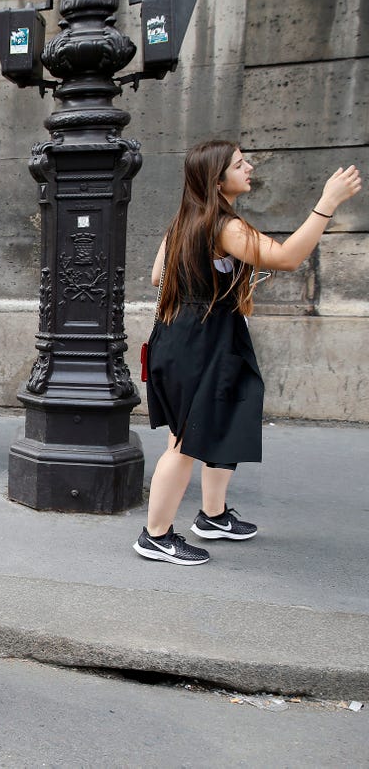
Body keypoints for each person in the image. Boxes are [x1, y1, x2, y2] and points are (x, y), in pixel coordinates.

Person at [135, 141, 361, 565]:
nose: (250, 168)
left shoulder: (186, 220)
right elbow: (288, 258)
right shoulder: (224, 226)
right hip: (201, 340)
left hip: (193, 335)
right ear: (217, 179)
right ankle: (156, 535)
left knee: (228, 417)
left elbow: (154, 277)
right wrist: (327, 203)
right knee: (183, 442)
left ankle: (213, 516)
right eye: (240, 164)